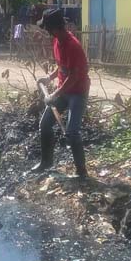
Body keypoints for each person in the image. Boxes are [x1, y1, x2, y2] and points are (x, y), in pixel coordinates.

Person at [32, 9, 91, 179]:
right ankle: (46, 162)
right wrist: (49, 78)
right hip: (64, 90)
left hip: (77, 92)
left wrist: (55, 94)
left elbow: (74, 76)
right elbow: (61, 65)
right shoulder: (58, 41)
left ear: (54, 28)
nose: (47, 32)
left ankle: (82, 173)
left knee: (72, 131)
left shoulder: (73, 46)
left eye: (47, 29)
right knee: (44, 124)